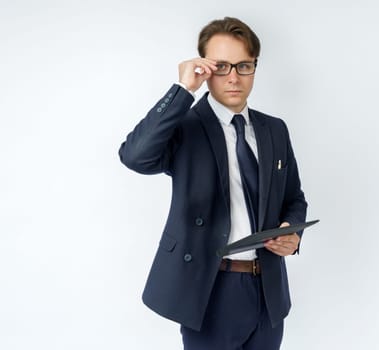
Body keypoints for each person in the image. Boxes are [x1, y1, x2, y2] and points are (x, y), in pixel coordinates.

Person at [119, 17, 307, 350]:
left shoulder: (274, 129)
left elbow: (294, 197)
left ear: (254, 68)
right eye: (221, 66)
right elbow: (135, 157)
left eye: (243, 65)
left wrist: (292, 232)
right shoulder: (184, 126)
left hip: (269, 291)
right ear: (204, 68)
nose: (233, 77)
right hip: (209, 289)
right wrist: (182, 90)